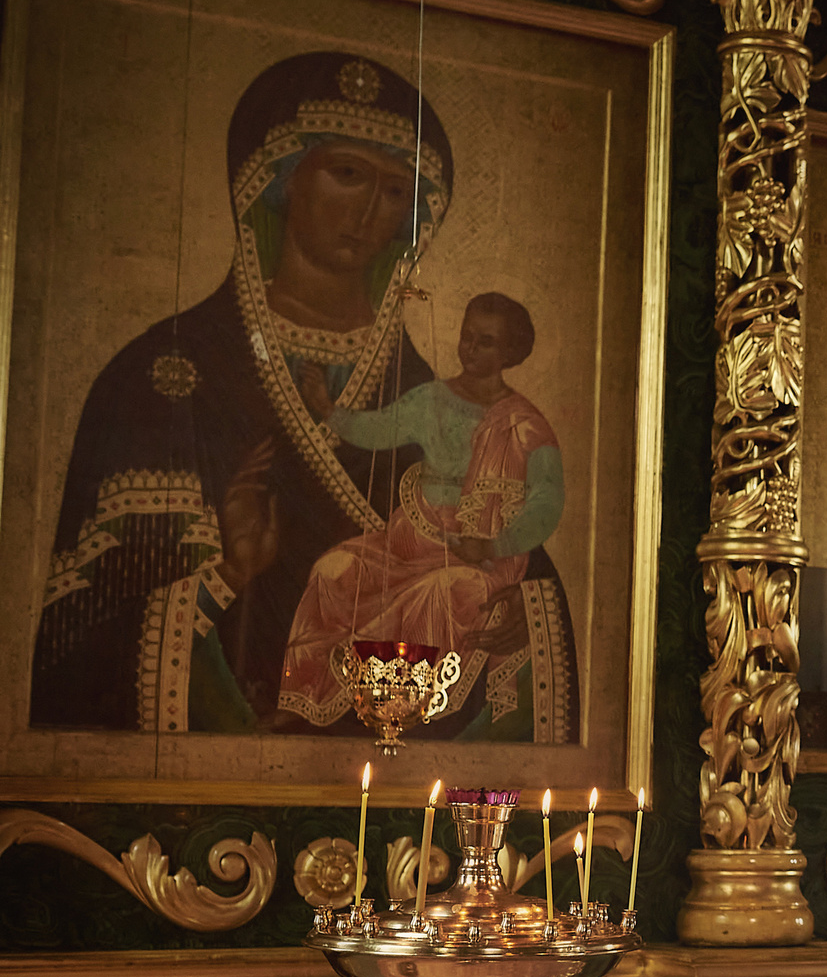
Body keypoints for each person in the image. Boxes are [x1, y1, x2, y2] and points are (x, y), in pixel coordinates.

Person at [31, 52, 523, 735]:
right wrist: (226, 575)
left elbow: (514, 578)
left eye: (393, 191)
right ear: (283, 179)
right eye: (347, 173)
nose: (368, 211)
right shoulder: (162, 376)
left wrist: (509, 610)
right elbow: (73, 643)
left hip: (384, 758)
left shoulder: (441, 408)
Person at [274, 293, 564, 734]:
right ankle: (304, 700)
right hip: (403, 547)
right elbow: (379, 429)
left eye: (485, 342)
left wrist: (492, 545)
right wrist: (329, 410)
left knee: (438, 593)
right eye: (467, 336)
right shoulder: (432, 399)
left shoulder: (524, 425)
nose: (470, 348)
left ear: (510, 352)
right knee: (333, 570)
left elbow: (547, 502)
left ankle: (402, 714)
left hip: (476, 559)